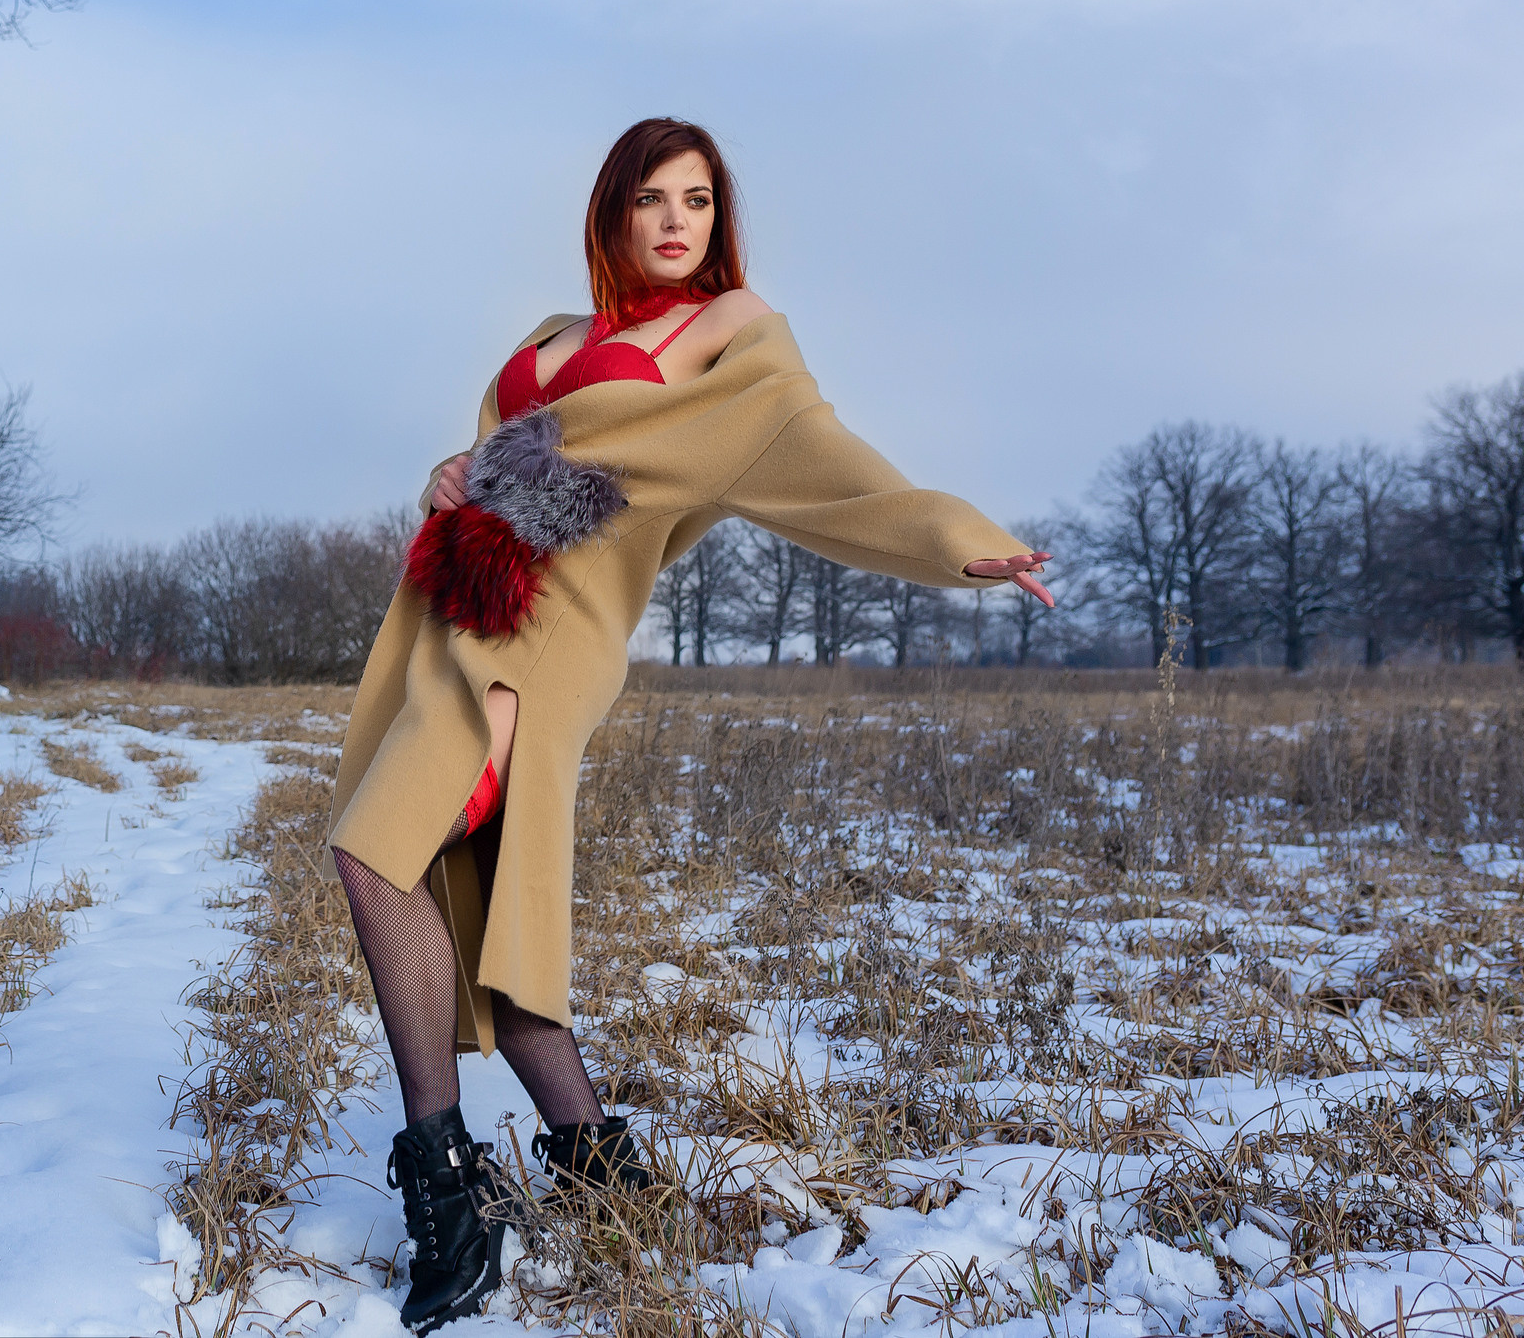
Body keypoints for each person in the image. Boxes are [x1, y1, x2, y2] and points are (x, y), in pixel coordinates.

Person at [328, 118, 1053, 1333]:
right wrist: (446, 475)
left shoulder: (737, 346)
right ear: (611, 214)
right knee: (480, 894)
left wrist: (963, 545)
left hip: (543, 652)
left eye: (700, 200)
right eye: (653, 199)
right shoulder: (553, 337)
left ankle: (449, 1190)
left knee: (376, 847)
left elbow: (841, 473)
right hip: (457, 623)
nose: (677, 222)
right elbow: (499, 469)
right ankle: (602, 1172)